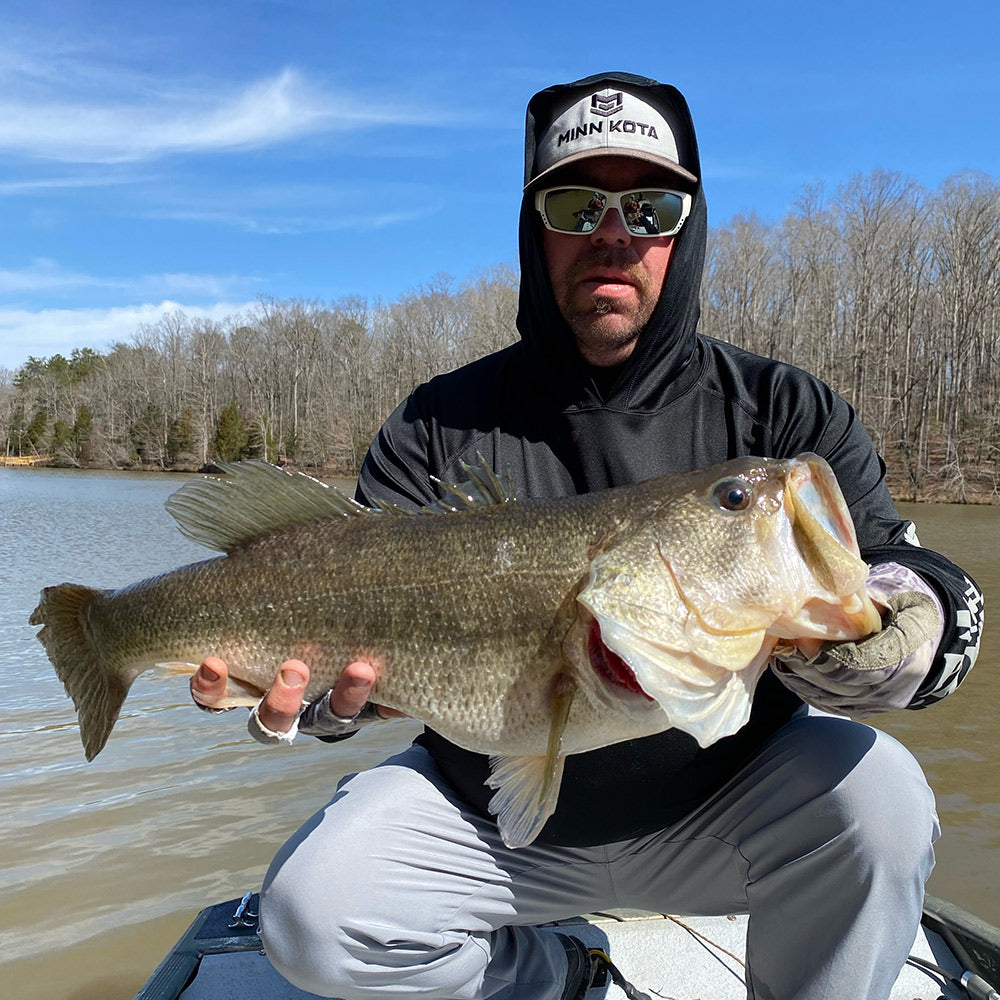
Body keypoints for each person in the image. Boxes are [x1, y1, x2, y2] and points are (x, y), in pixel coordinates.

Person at [191, 72, 984, 1000]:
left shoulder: (782, 413)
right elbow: (359, 659)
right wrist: (336, 709)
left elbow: (907, 575)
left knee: (882, 802)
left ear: (684, 230)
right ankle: (547, 977)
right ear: (536, 229)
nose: (615, 233)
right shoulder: (437, 421)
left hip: (725, 816)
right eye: (577, 202)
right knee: (312, 913)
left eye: (650, 205)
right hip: (487, 821)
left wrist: (903, 629)